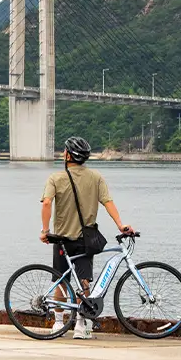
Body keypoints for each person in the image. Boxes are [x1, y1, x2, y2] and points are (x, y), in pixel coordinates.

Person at [39, 135, 131, 339]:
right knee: (84, 282)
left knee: (61, 280)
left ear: (68, 155)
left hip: (61, 239)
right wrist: (120, 225)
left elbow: (46, 203)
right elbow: (108, 202)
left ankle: (58, 323)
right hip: (84, 239)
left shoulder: (56, 178)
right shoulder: (96, 177)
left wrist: (45, 230)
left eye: (65, 150)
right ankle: (81, 326)